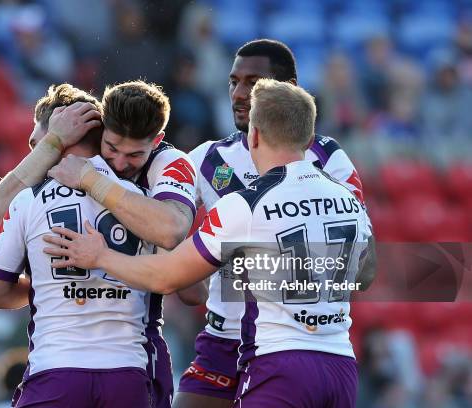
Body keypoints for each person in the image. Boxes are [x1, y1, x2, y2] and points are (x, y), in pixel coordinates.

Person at [45, 78, 376, 408]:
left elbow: (166, 277)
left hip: (278, 364)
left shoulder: (245, 203)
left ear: (255, 135)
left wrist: (101, 256)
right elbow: (365, 273)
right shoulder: (347, 199)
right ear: (308, 136)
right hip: (340, 365)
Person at [0, 81, 207, 408]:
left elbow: (172, 234)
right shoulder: (55, 179)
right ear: (100, 135)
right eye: (112, 148)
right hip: (128, 367)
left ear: (155, 143)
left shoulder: (168, 163)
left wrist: (91, 182)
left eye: (134, 155)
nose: (119, 163)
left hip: (105, 361)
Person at [172, 39, 368, 408]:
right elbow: (167, 225)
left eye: (253, 83)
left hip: (288, 341)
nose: (239, 93)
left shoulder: (329, 159)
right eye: (233, 82)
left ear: (287, 89)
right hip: (223, 340)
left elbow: (356, 256)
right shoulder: (207, 159)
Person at [0, 105, 153, 406]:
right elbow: (185, 287)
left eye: (37, 144)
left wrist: (46, 285)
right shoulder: (143, 200)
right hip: (128, 374)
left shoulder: (29, 200)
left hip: (57, 370)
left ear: (63, 134)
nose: (35, 154)